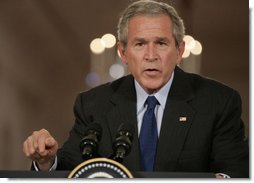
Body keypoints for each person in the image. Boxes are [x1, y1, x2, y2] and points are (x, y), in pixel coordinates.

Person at [23, 0, 249, 178]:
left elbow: (236, 172)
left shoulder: (218, 101)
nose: (151, 56)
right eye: (140, 44)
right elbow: (72, 169)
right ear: (122, 53)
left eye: (161, 43)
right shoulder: (93, 104)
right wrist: (46, 162)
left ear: (179, 50)